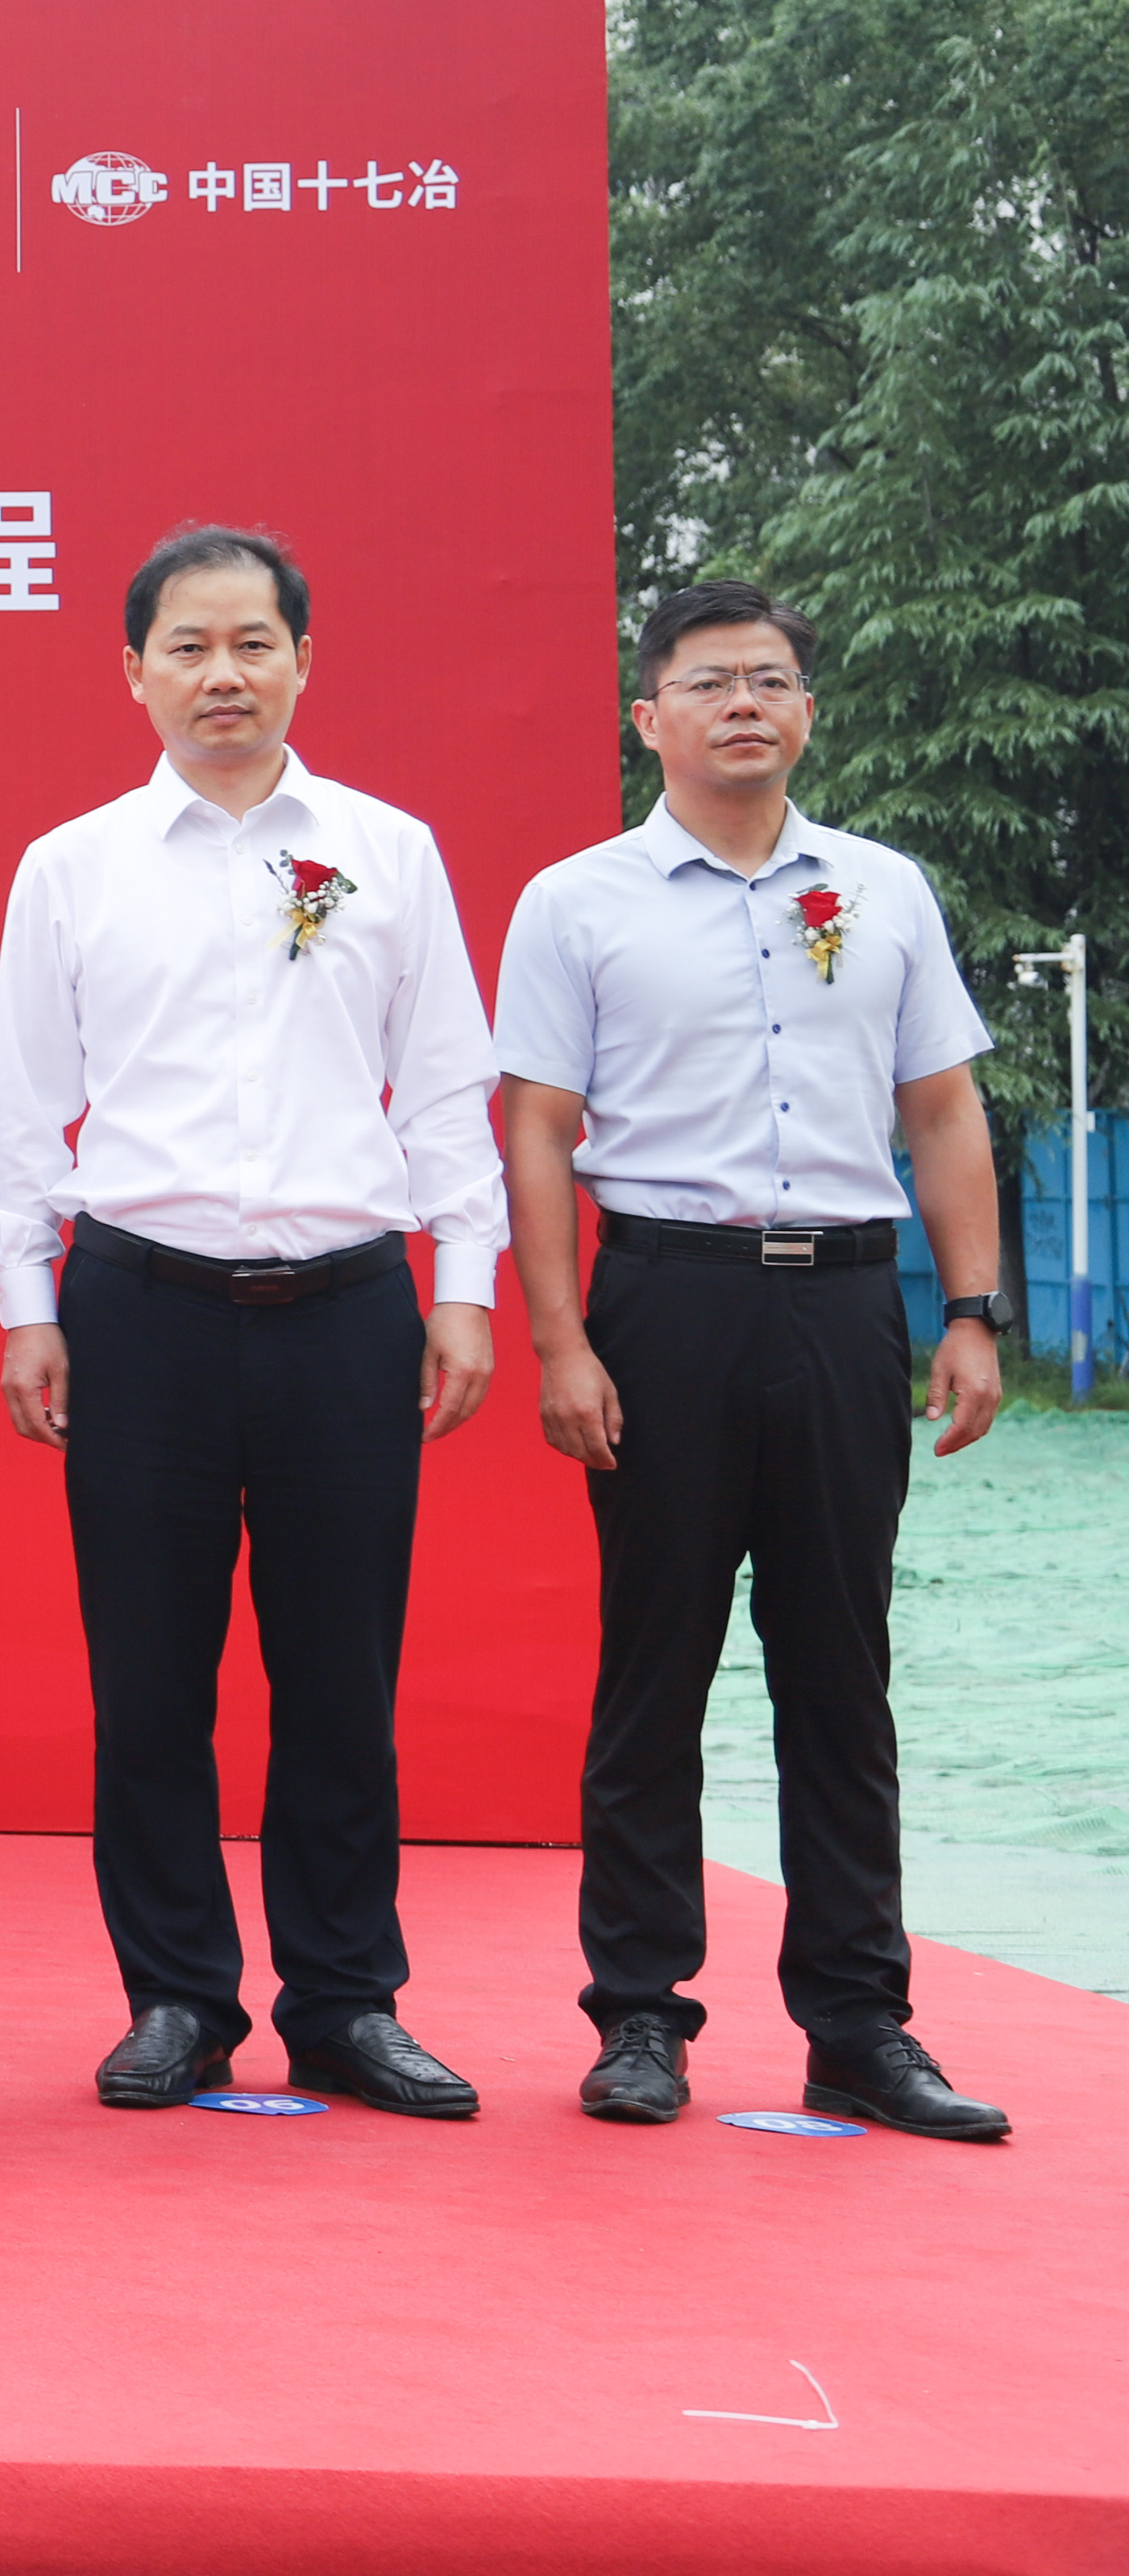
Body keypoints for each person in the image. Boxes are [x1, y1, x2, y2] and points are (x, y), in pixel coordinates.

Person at [0, 529, 503, 2119]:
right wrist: (27, 1304)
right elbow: (24, 1112)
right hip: (140, 1307)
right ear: (134, 671)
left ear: (302, 662)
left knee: (341, 1676)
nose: (223, 675)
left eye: (253, 644)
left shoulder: (388, 852)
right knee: (151, 1680)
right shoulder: (73, 865)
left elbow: (450, 1088)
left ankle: (345, 2001)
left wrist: (462, 1287)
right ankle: (178, 1999)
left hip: (348, 1307)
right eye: (189, 647)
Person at [495, 577, 1012, 2142]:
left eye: (771, 680)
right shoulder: (578, 901)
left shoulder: (884, 890)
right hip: (666, 1301)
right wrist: (562, 1338)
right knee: (654, 1667)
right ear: (648, 716)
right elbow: (537, 1127)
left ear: (808, 711)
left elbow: (942, 1108)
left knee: (840, 1672)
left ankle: (858, 2022)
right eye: (711, 680)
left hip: (846, 1306)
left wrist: (974, 1310)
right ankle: (640, 2016)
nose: (744, 704)